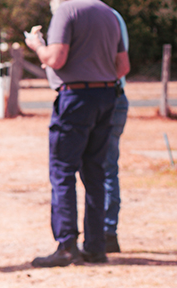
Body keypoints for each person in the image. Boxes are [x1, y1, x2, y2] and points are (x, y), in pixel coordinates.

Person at [27, 0, 129, 267]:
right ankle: (96, 247)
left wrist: (37, 45)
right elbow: (123, 67)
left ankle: (67, 246)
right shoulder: (109, 13)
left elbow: (56, 58)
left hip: (75, 98)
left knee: (62, 171)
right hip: (107, 96)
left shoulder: (66, 11)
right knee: (95, 172)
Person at [102, 9, 129, 254]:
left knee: (104, 167)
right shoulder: (114, 16)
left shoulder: (98, 17)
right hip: (116, 96)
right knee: (107, 167)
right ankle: (106, 231)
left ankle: (107, 232)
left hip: (108, 97)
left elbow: (122, 66)